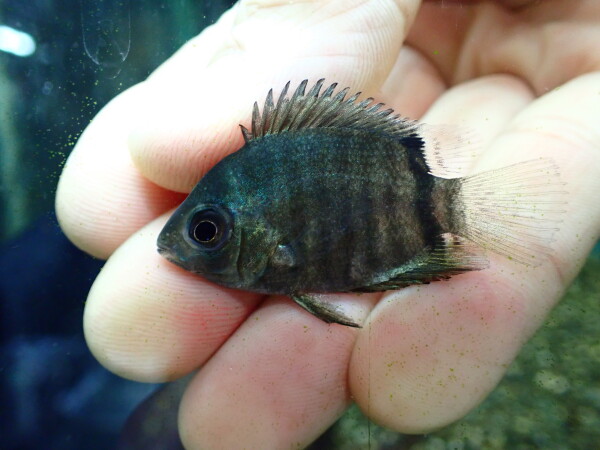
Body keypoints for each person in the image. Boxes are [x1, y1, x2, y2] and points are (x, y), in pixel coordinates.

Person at [55, 0, 600, 447]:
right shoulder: (250, 183)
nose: (194, 243)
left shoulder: (256, 190)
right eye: (203, 233)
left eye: (206, 232)